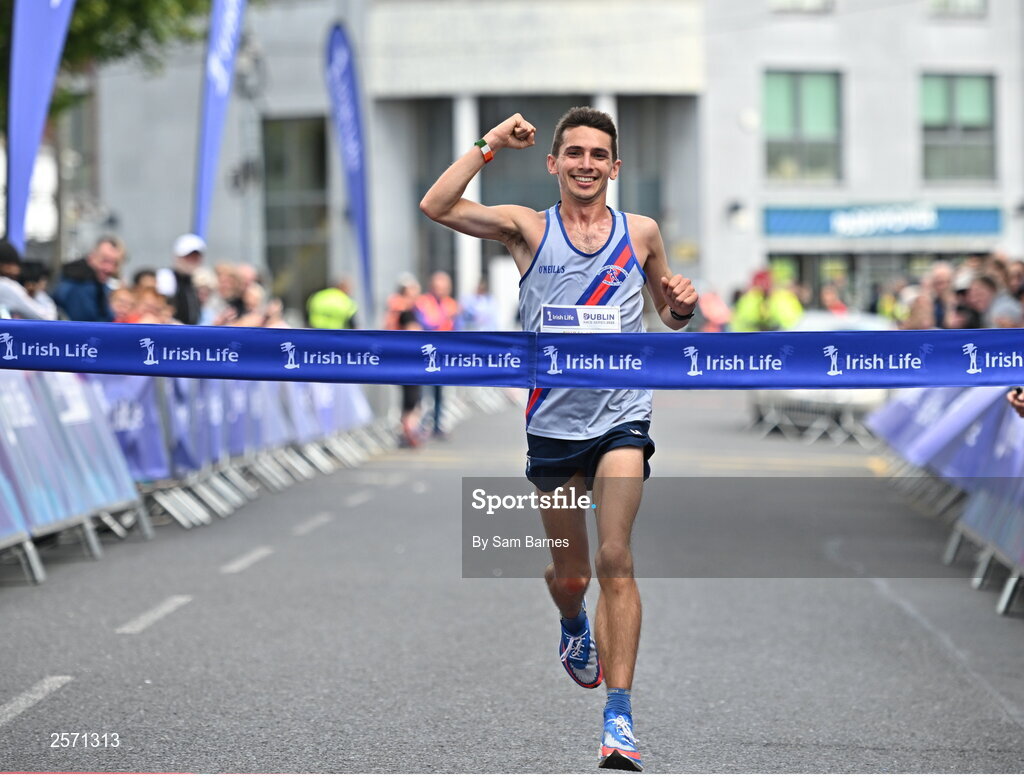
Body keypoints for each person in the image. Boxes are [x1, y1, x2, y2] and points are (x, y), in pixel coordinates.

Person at [420, 107, 697, 772]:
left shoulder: (643, 232)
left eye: (598, 155)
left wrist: (683, 306)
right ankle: (574, 624)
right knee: (572, 575)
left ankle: (620, 719)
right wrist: (489, 144)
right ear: (553, 163)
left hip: (622, 415)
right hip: (552, 425)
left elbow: (671, 315)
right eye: (573, 152)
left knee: (615, 557)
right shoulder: (527, 229)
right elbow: (437, 203)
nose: (585, 164)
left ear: (614, 167)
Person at [415, 271, 460, 439]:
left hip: (444, 353)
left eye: (443, 287)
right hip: (424, 353)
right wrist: (443, 318)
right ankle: (419, 425)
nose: (440, 290)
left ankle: (437, 424)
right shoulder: (423, 302)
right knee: (421, 392)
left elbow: (457, 329)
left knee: (440, 392)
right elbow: (424, 324)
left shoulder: (452, 304)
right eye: (437, 287)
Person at [52, 234, 124, 321]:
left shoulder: (98, 284)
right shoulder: (80, 284)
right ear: (92, 257)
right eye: (105, 261)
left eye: (115, 263)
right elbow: (89, 324)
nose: (109, 268)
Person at [729, 269, 803, 332]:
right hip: (755, 339)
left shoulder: (783, 298)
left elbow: (792, 321)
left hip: (774, 339)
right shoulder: (750, 298)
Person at [156, 233, 205, 325]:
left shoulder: (193, 281)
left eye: (195, 257)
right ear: (178, 257)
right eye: (188, 257)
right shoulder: (166, 277)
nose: (192, 261)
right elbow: (161, 310)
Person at [0, 241, 58, 319]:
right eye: (13, 264)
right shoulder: (5, 285)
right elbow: (48, 317)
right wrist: (39, 293)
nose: (18, 270)